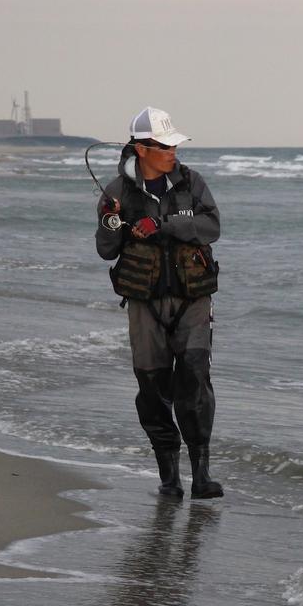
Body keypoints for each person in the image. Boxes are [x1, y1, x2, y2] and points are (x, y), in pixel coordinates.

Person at [95, 107, 223, 500]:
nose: (173, 152)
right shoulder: (116, 192)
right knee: (151, 390)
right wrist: (110, 221)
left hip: (193, 300)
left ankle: (201, 476)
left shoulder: (192, 183)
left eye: (174, 145)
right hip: (143, 304)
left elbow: (212, 227)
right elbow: (105, 250)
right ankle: (170, 479)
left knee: (194, 382)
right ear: (142, 149)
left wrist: (164, 225)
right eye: (165, 146)